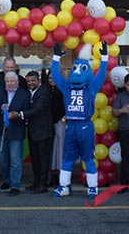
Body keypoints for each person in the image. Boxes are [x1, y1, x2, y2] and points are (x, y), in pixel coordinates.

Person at [51, 42, 108, 199]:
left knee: (88, 158)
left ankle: (92, 188)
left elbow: (102, 76)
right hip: (70, 126)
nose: (76, 72)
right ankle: (64, 187)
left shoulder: (91, 87)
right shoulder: (67, 86)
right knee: (67, 158)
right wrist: (56, 58)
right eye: (74, 68)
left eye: (81, 69)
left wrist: (104, 58)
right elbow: (55, 76)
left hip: (84, 126)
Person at [0, 71, 31, 197]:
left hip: (16, 130)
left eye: (12, 81)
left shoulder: (24, 94)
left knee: (15, 159)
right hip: (0, 129)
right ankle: (6, 180)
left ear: (17, 82)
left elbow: (26, 110)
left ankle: (15, 185)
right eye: (7, 81)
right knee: (2, 158)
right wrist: (1, 107)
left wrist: (16, 114)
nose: (9, 83)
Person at [23, 70, 53, 194]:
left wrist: (20, 114)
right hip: (33, 131)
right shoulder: (30, 92)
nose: (31, 83)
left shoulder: (44, 92)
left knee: (43, 159)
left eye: (33, 81)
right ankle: (36, 182)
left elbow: (37, 109)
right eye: (28, 81)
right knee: (35, 159)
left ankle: (43, 184)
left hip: (44, 131)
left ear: (39, 80)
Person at [48, 72, 65, 188]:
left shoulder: (64, 89)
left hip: (61, 122)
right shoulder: (46, 90)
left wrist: (65, 117)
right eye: (49, 78)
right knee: (52, 150)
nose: (51, 80)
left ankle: (61, 177)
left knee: (60, 149)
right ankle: (53, 176)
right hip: (49, 123)